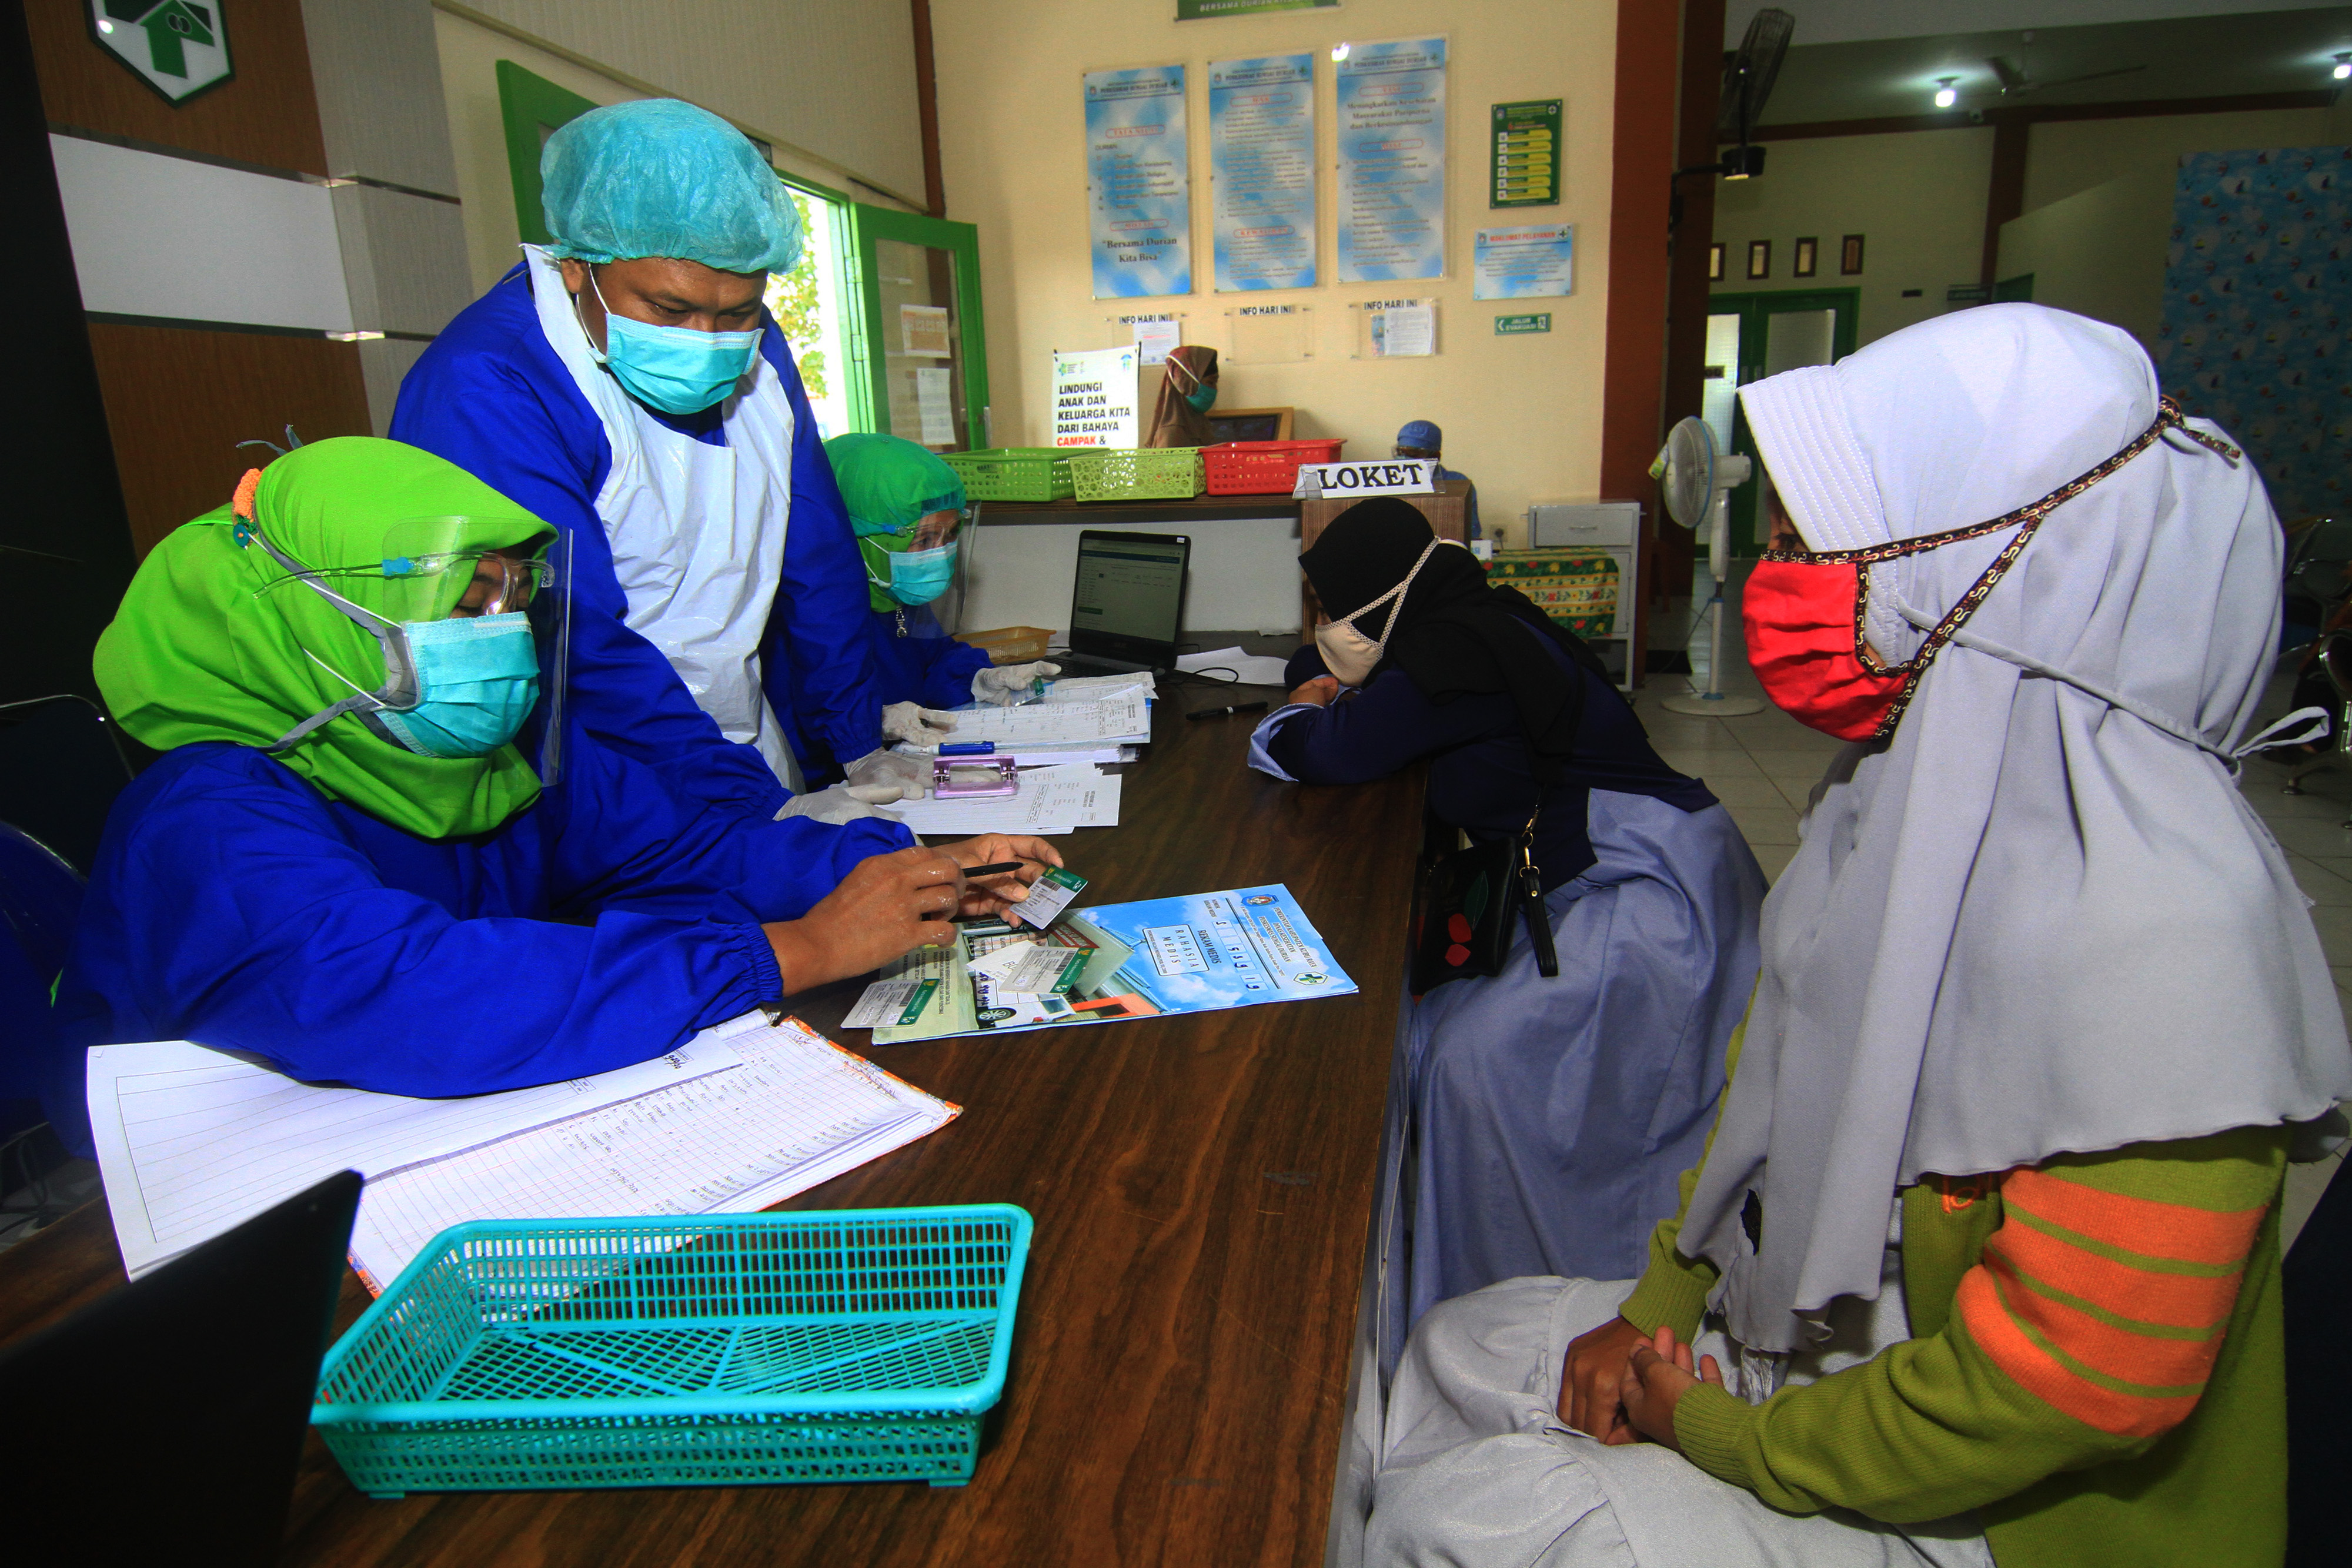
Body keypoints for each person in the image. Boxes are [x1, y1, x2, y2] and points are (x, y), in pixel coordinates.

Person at [1355, 306, 2352, 1568]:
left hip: (2007, 1514)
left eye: (1816, 539)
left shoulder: (2166, 929)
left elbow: (2067, 1385)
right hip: (1846, 1347)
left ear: (2010, 564)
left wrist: (1718, 1435)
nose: (1779, 571)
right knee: (1458, 1343)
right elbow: (1767, 1091)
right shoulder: (1894, 803)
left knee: (1469, 1519)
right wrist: (1664, 1304)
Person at [50, 439, 1055, 1153]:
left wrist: (892, 870)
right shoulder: (208, 819)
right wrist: (799, 948)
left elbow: (677, 852)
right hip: (208, 1228)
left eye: (509, 595)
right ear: (316, 626)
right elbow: (416, 988)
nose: (499, 630)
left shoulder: (488, 747)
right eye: (460, 600)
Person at [1247, 498, 1764, 1380]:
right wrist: (1322, 675)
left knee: (1470, 1060)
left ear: (1379, 601)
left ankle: (1539, 1297)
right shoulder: (1465, 618)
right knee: (1441, 1024)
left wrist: (1303, 700)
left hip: (1649, 898)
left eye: (1333, 610)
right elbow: (1353, 685)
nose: (1326, 629)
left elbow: (1324, 747)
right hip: (1620, 866)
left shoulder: (1452, 660)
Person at [392, 98, 933, 822]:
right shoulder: (491, 382)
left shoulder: (761, 350)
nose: (708, 338)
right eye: (670, 312)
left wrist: (857, 738)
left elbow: (817, 554)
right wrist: (734, 809)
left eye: (738, 311)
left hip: (740, 748)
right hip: (596, 777)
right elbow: (571, 635)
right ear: (579, 263)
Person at [824, 432, 1058, 714]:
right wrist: (874, 725)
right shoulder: (816, 617)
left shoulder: (894, 593)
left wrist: (977, 679)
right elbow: (810, 716)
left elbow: (932, 662)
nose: (939, 553)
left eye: (951, 534)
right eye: (924, 539)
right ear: (856, 539)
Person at [1393, 420, 1481, 541]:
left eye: (1414, 453)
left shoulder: (1456, 484)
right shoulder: (1389, 483)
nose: (1404, 459)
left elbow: (1472, 532)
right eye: (1401, 452)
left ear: (1436, 457)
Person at [1145, 345, 1219, 448]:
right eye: (1210, 382)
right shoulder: (1172, 432)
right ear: (1187, 383)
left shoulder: (1198, 422)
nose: (1215, 389)